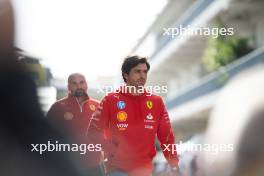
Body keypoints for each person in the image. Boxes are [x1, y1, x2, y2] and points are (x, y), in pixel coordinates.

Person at [87, 55, 180, 176]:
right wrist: (111, 149)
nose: (142, 76)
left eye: (145, 72)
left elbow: (167, 138)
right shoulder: (110, 100)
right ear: (126, 75)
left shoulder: (156, 102)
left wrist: (174, 165)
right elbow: (93, 132)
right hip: (117, 170)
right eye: (137, 71)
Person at [46, 73, 103, 175]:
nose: (79, 86)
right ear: (68, 87)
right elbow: (45, 135)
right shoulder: (58, 107)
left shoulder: (98, 106)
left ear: (86, 84)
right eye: (74, 83)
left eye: (82, 82)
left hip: (94, 168)